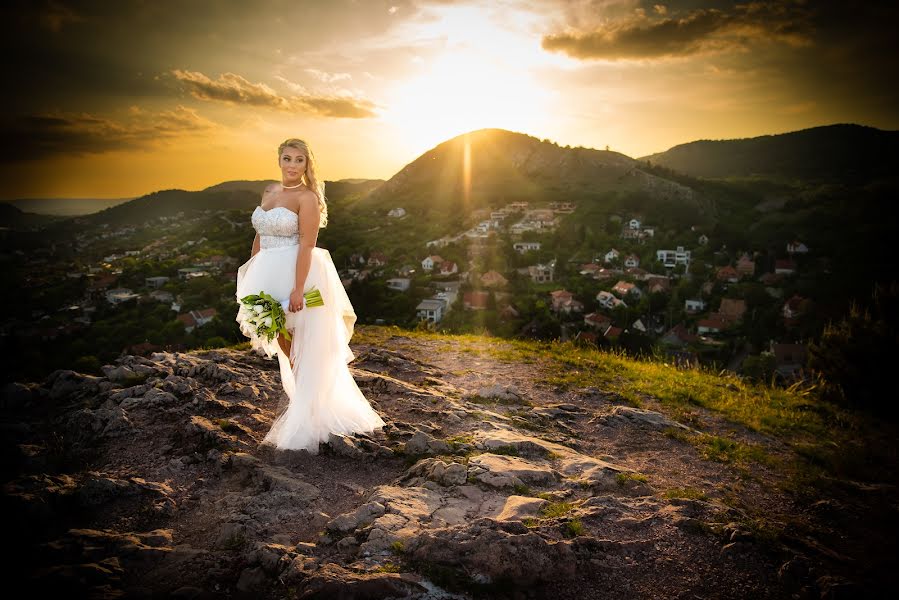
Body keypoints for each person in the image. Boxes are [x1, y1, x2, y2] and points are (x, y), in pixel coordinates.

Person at [235, 138, 386, 453]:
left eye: (299, 160)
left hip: (298, 275)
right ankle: (305, 405)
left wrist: (297, 289)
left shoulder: (308, 198)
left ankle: (312, 414)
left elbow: (306, 245)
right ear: (279, 160)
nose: (292, 165)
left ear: (307, 164)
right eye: (287, 158)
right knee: (282, 343)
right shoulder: (269, 191)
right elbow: (259, 236)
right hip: (266, 275)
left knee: (303, 347)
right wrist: (250, 273)